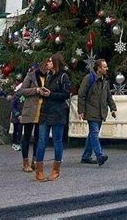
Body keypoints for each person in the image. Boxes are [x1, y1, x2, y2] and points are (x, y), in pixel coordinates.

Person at [35, 53, 71, 182]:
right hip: (46, 112)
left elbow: (66, 94)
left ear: (55, 63)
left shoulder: (63, 77)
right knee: (42, 141)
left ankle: (56, 169)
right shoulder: (48, 76)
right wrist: (43, 93)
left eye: (50, 61)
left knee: (57, 141)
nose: (47, 63)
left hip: (57, 112)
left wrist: (50, 94)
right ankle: (39, 170)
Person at [77, 59, 117, 166]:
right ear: (98, 68)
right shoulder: (89, 78)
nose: (106, 68)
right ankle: (99, 155)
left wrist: (113, 108)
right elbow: (81, 94)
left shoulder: (105, 81)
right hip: (91, 111)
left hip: (101, 112)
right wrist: (81, 110)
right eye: (104, 67)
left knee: (92, 134)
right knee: (94, 133)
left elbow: (109, 97)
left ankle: (86, 156)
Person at [18, 61, 47, 172]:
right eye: (45, 67)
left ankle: (35, 160)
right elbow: (22, 91)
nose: (47, 70)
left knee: (38, 137)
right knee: (27, 137)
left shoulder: (48, 77)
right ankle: (26, 162)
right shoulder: (31, 76)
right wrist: (36, 90)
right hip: (31, 110)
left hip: (42, 111)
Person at [10, 83, 23, 151]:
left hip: (21, 116)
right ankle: (15, 143)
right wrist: (17, 114)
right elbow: (12, 106)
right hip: (16, 117)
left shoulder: (23, 96)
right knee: (16, 130)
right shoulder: (15, 96)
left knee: (20, 130)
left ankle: (18, 142)